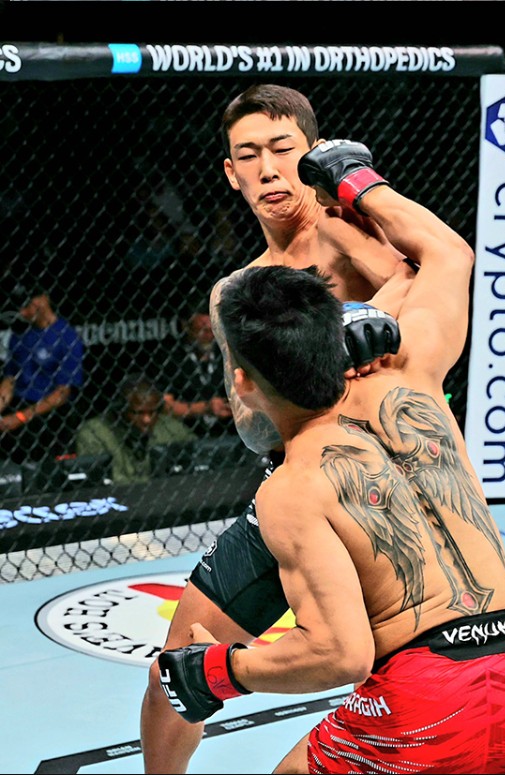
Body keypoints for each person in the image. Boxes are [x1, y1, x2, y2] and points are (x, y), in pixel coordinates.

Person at [158, 141, 505, 775]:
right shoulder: (412, 378)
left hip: (424, 693)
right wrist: (359, 181)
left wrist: (218, 672)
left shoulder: (293, 486)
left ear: (245, 383)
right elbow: (448, 253)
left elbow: (340, 655)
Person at [140, 84, 404, 774]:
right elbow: (254, 427)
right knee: (174, 673)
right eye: (248, 155)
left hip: (389, 492)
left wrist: (359, 320)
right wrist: (297, 375)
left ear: (310, 154)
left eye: (282, 149)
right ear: (231, 172)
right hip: (291, 493)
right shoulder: (236, 291)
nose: (267, 169)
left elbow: (419, 296)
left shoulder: (353, 237)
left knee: (397, 677)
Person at [0, 282, 84, 463]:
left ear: (43, 300)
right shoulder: (19, 335)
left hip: (51, 415)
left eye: (27, 306)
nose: (23, 313)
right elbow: (10, 379)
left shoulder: (67, 337)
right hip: (19, 409)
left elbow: (62, 393)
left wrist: (21, 417)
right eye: (20, 308)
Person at [76, 373, 197, 484]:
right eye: (138, 413)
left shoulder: (171, 427)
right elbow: (99, 481)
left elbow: (199, 456)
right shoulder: (95, 433)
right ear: (121, 410)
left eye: (152, 412)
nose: (147, 420)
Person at [158, 298, 234, 438]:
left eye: (213, 330)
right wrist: (205, 408)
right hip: (186, 430)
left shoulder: (226, 352)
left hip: (228, 430)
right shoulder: (172, 357)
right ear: (186, 326)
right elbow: (165, 405)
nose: (209, 336)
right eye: (203, 330)